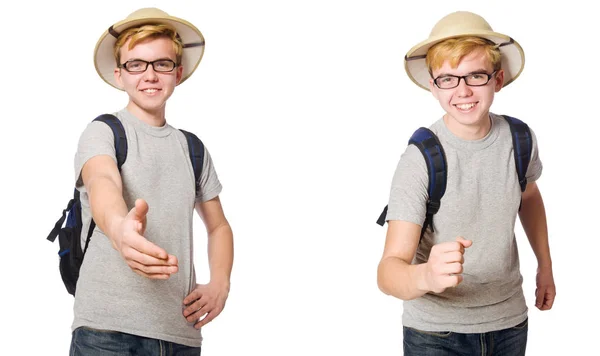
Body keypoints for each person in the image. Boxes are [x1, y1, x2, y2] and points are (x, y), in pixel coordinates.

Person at [377, 11, 555, 355]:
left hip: (509, 322)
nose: (462, 91)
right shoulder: (422, 158)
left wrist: (545, 266)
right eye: (448, 79)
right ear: (433, 86)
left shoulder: (520, 139)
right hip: (436, 334)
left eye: (475, 75)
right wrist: (425, 276)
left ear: (497, 79)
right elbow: (388, 271)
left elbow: (528, 196)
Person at [69, 7, 233, 355]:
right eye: (136, 64)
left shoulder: (192, 148)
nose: (150, 75)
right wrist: (119, 229)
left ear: (178, 71)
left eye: (161, 64)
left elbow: (218, 227)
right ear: (119, 75)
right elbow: (102, 183)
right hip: (106, 331)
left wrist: (220, 283)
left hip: (179, 333)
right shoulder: (104, 131)